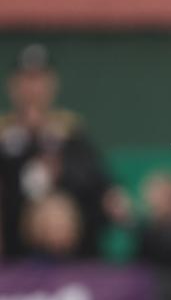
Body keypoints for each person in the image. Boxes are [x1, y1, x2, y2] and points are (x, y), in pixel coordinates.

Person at [0, 44, 113, 259]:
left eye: (40, 80)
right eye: (26, 80)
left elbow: (97, 183)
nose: (33, 89)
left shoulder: (70, 131)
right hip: (14, 247)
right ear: (13, 86)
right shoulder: (5, 135)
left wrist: (61, 170)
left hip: (73, 251)